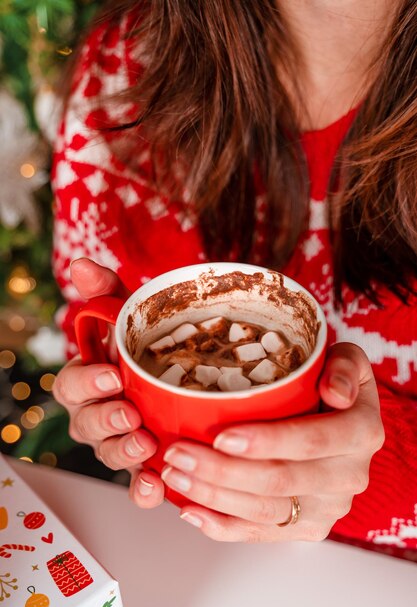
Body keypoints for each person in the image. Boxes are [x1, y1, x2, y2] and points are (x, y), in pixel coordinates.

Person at [51, 0, 417, 554]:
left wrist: (366, 476)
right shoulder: (127, 61)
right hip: (175, 557)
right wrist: (109, 403)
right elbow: (86, 318)